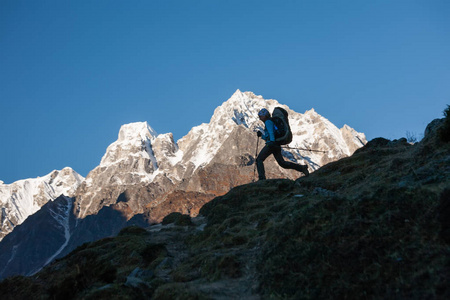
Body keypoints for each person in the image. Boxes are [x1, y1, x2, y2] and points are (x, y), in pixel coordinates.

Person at [256, 108, 309, 180]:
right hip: (276, 144)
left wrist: (271, 142)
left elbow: (271, 134)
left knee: (259, 159)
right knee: (282, 163)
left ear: (265, 115)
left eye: (260, 116)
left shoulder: (268, 122)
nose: (260, 118)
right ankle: (302, 168)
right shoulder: (271, 121)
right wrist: (262, 136)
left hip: (271, 145)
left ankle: (262, 178)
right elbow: (269, 135)